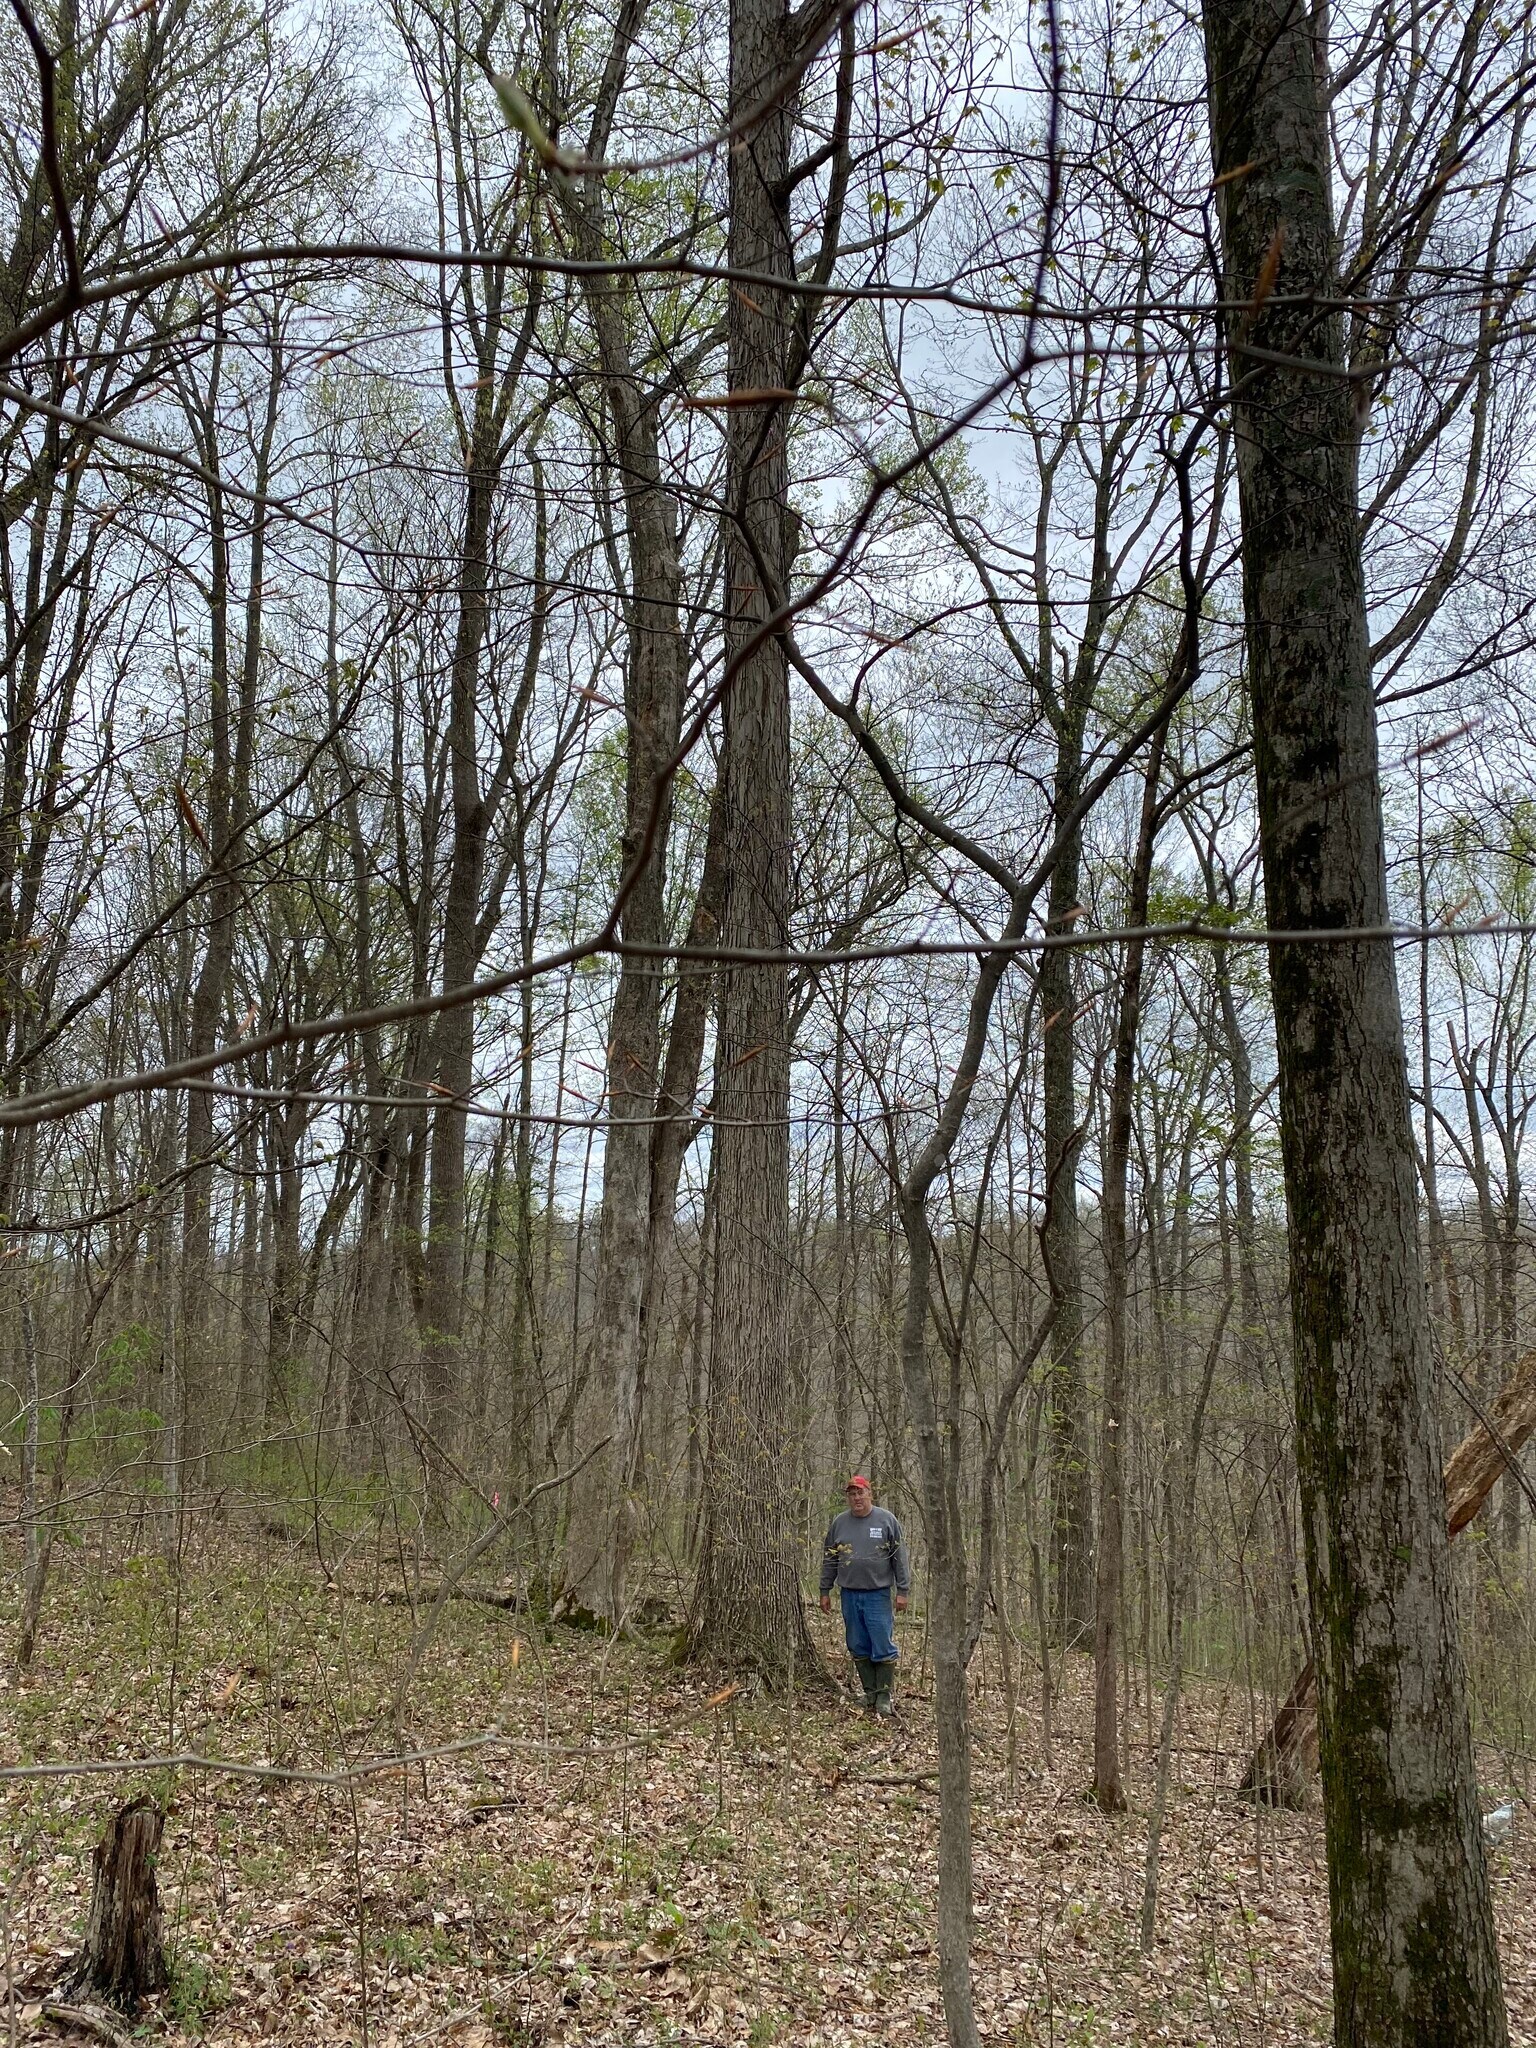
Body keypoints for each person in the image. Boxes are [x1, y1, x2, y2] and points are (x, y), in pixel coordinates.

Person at [818, 1474, 911, 1717]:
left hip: (877, 1594)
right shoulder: (839, 1523)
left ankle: (884, 1695)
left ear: (870, 1494)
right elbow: (830, 1559)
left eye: (860, 1492)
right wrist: (824, 1590)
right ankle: (869, 1692)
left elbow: (900, 1558)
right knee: (857, 1644)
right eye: (852, 1494)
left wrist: (903, 1590)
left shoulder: (886, 1520)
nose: (857, 1498)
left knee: (882, 1643)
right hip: (849, 1593)